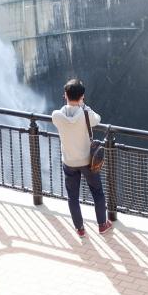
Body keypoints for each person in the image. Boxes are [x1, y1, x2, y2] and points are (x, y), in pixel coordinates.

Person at [52, 78, 112, 237]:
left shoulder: (57, 116)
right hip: (87, 161)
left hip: (69, 161)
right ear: (82, 97)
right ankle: (102, 225)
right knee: (97, 192)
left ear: (65, 95)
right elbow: (97, 118)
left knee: (72, 197)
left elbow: (64, 115)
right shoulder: (86, 114)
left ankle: (79, 229)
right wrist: (83, 106)